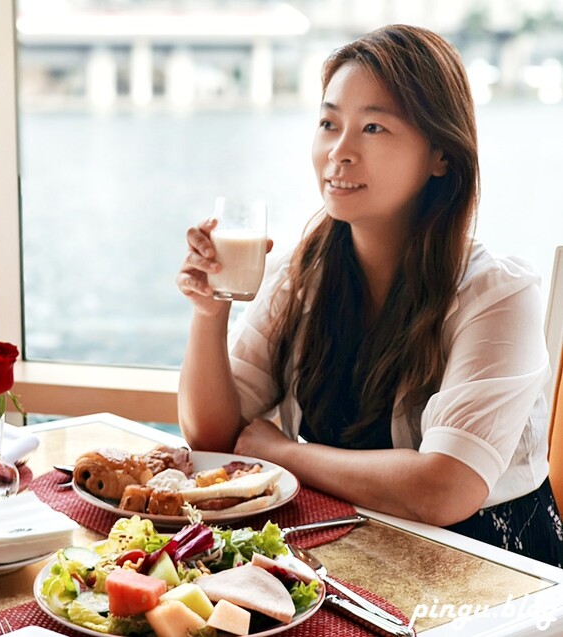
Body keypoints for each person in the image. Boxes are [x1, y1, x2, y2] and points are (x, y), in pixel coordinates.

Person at [176, 24, 563, 567]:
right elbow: (213, 434)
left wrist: (280, 454)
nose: (339, 151)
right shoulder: (299, 274)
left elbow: (444, 489)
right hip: (350, 547)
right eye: (328, 123)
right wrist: (209, 314)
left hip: (491, 566)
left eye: (374, 127)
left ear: (441, 155)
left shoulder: (495, 293)